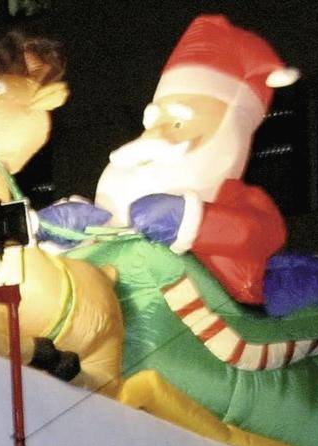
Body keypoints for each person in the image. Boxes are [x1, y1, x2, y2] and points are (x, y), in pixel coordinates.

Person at [38, 14, 298, 306]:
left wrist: (192, 221)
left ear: (229, 135)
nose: (155, 137)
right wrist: (58, 235)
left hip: (211, 317)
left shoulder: (241, 200)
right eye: (152, 123)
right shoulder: (134, 173)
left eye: (176, 124)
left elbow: (257, 233)